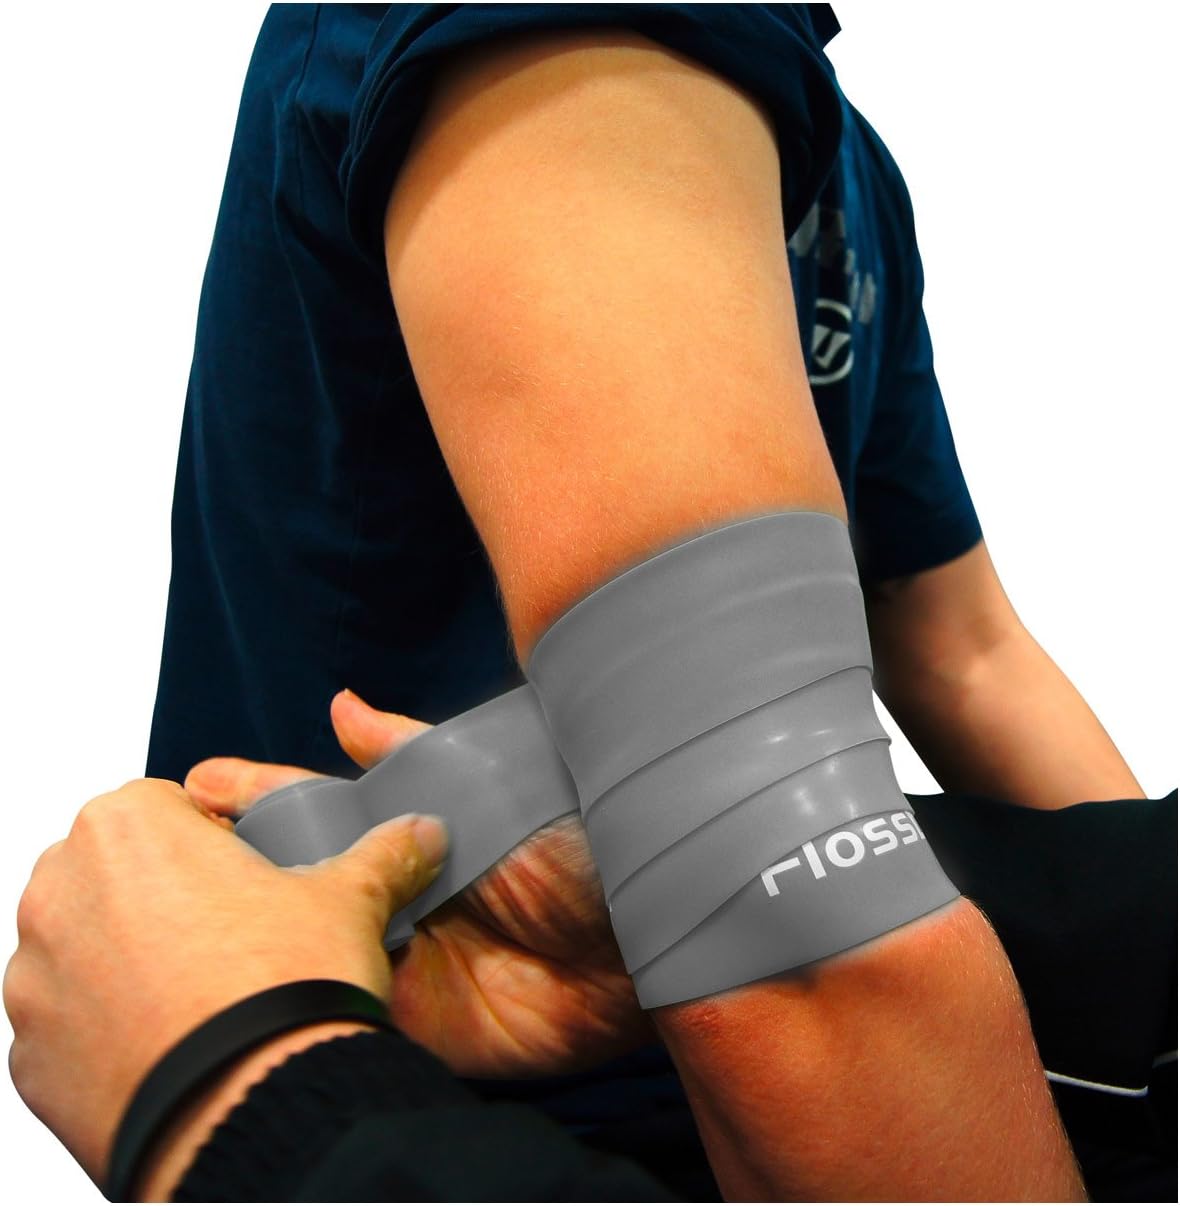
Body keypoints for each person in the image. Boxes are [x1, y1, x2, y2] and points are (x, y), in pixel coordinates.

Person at [4, 4, 1174, 1200]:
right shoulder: (577, 36)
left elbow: (964, 650)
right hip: (455, 1078)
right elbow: (795, 927)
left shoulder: (842, 168)